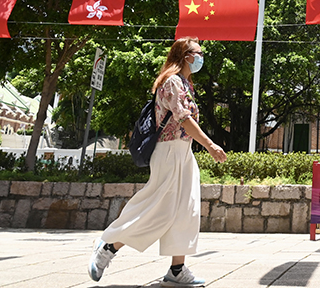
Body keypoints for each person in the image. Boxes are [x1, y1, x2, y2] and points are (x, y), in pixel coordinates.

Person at [88, 37, 227, 287]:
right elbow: (183, 119)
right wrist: (211, 144)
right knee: (158, 207)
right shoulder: (172, 81)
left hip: (183, 152)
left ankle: (176, 270)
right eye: (199, 52)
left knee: (187, 209)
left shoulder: (185, 83)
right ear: (186, 56)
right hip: (169, 152)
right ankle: (108, 246)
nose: (202, 56)